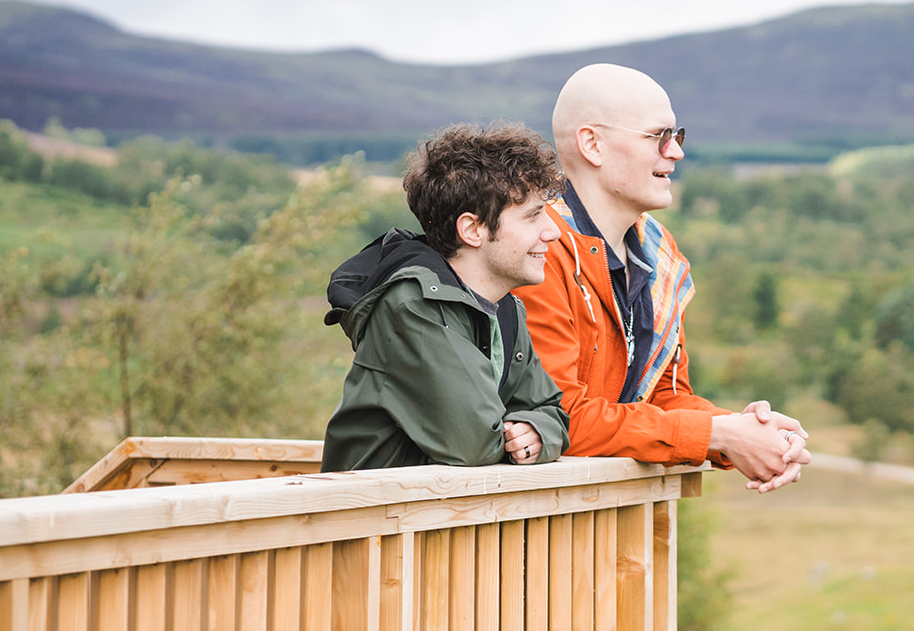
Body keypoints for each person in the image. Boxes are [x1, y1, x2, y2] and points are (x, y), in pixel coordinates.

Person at [515, 63, 811, 491]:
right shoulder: (539, 251)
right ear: (592, 144)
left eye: (678, 137)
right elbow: (561, 419)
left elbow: (664, 399)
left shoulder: (658, 253)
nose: (676, 153)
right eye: (659, 137)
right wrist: (720, 435)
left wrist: (749, 431)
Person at [321, 122, 570, 472]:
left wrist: (538, 432)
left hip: (434, 521)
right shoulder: (412, 305)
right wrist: (518, 433)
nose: (553, 231)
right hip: (377, 521)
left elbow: (554, 412)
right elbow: (475, 442)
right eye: (533, 216)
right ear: (473, 230)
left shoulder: (506, 308)